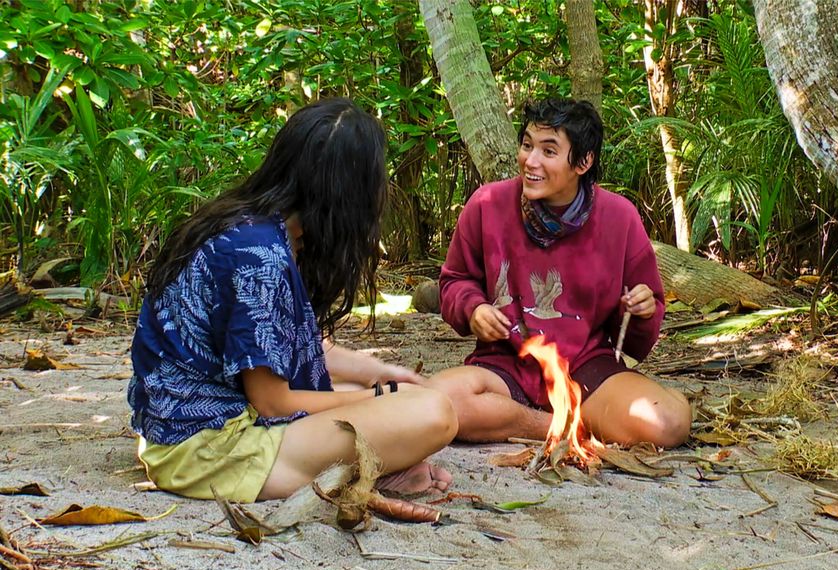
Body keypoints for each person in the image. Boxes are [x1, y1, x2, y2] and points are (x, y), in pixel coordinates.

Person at [128, 98, 457, 503]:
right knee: (435, 413)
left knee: (363, 388)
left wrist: (378, 372)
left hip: (180, 429)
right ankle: (366, 469)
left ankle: (372, 462)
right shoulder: (260, 257)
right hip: (208, 450)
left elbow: (286, 350)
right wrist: (384, 396)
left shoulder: (254, 228)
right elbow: (272, 401)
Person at [428, 98, 690, 447]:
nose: (530, 161)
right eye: (527, 145)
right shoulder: (486, 204)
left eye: (548, 151)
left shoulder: (620, 217)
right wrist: (473, 309)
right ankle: (560, 427)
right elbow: (454, 281)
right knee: (436, 402)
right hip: (504, 367)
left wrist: (641, 311)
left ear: (584, 162)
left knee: (667, 423)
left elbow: (636, 341)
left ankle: (551, 418)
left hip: (587, 368)